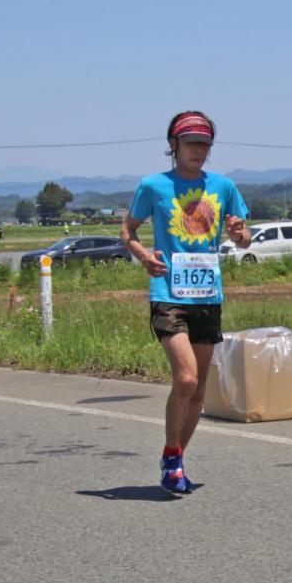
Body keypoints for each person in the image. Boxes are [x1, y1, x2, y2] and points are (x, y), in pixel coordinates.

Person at [120, 111, 250, 494]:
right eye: (191, 143)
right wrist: (144, 257)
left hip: (207, 296)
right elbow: (128, 230)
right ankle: (173, 456)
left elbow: (244, 239)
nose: (199, 150)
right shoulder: (153, 186)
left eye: (205, 144)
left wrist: (240, 234)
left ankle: (174, 457)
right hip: (168, 294)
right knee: (186, 377)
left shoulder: (223, 187)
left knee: (199, 388)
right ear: (173, 145)